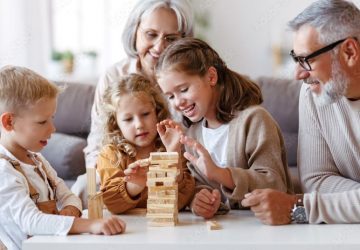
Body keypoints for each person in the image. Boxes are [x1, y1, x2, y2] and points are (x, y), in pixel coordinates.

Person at [242, 0, 360, 225]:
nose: (298, 74)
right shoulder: (313, 94)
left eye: (306, 59)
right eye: (296, 59)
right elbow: (315, 181)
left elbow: (312, 195)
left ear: (349, 51)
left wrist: (297, 207)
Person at [72, 0, 194, 206]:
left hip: (176, 166)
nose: (159, 47)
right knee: (86, 186)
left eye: (170, 38)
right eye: (151, 34)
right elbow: (98, 141)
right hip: (122, 170)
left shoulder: (190, 78)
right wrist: (109, 180)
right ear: (134, 32)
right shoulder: (114, 76)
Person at [156, 37, 293, 219]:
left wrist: (221, 174)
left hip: (266, 229)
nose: (178, 102)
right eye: (170, 96)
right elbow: (198, 185)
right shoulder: (193, 134)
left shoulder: (255, 120)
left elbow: (275, 185)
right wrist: (198, 199)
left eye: (183, 89)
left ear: (211, 77)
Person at [0, 66, 126, 250]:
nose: (52, 128)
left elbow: (68, 195)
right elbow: (30, 222)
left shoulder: (37, 160)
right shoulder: (4, 170)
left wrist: (70, 209)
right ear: (9, 122)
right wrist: (89, 224)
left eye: (52, 118)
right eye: (42, 121)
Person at [96, 73, 195, 214]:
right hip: (128, 230)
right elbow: (112, 204)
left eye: (145, 114)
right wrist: (135, 184)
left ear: (157, 112)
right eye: (128, 119)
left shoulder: (172, 144)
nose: (139, 125)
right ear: (115, 123)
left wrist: (172, 154)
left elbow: (181, 200)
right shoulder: (111, 154)